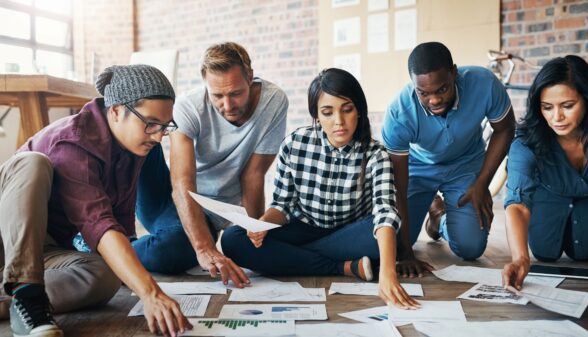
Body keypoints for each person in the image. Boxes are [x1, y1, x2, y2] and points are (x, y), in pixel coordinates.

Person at [0, 64, 192, 337]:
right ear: (116, 111)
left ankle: (16, 296)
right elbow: (97, 222)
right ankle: (27, 293)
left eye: (164, 126)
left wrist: (131, 276)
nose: (158, 135)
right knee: (32, 163)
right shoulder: (73, 141)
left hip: (46, 249)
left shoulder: (134, 147)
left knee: (105, 277)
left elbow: (119, 219)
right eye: (150, 123)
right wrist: (149, 291)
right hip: (6, 234)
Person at [221, 68, 420, 308]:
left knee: (384, 235)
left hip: (350, 234)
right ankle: (343, 267)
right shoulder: (295, 144)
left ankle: (290, 257)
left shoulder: (376, 154)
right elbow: (283, 206)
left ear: (359, 110)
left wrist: (388, 273)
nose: (339, 121)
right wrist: (263, 224)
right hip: (304, 228)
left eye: (347, 109)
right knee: (233, 239)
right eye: (327, 112)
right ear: (316, 115)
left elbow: (385, 212)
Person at [131, 42, 288, 286]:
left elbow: (253, 175)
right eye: (217, 96)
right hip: (169, 195)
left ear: (250, 77)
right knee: (174, 250)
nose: (227, 105)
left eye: (236, 93)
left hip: (210, 214)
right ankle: (105, 248)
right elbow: (182, 183)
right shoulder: (188, 106)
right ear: (205, 84)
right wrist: (204, 247)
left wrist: (255, 231)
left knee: (178, 249)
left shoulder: (274, 101)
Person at [382, 41, 516, 266]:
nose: (434, 100)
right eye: (423, 93)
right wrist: (405, 252)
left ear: (454, 73)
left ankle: (438, 218)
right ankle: (431, 202)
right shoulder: (399, 112)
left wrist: (482, 183)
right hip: (417, 168)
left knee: (471, 248)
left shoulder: (483, 83)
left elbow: (505, 129)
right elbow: (398, 187)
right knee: (393, 244)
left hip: (464, 164)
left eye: (442, 89)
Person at [502, 55, 588, 289]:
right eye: (547, 107)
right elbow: (517, 203)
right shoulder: (525, 143)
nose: (557, 117)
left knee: (583, 253)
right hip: (547, 202)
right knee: (544, 252)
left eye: (568, 106)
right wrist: (520, 258)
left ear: (587, 101)